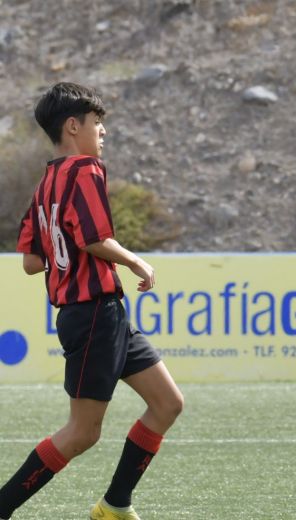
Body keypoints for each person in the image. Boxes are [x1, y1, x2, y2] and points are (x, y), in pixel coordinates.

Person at [0, 82, 184, 519]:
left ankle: (114, 505)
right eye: (97, 123)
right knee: (82, 433)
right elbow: (94, 238)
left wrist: (62, 259)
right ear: (72, 125)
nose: (102, 132)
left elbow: (30, 261)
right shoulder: (85, 169)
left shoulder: (46, 184)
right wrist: (136, 261)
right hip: (93, 314)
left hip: (104, 313)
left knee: (167, 403)